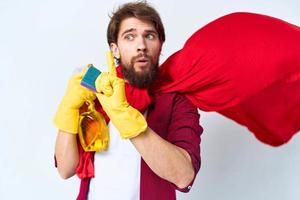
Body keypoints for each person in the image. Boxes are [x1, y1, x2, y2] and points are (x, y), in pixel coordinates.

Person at [54, 1, 203, 200]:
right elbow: (65, 169)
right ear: (114, 49)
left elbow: (184, 176)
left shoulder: (178, 99)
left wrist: (126, 117)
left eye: (149, 36)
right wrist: (69, 108)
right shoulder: (96, 90)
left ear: (160, 45)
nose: (141, 46)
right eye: (130, 37)